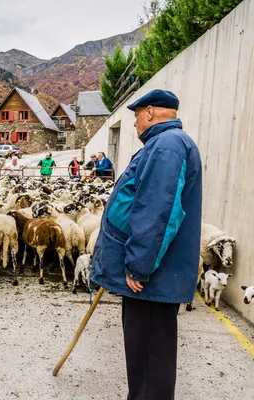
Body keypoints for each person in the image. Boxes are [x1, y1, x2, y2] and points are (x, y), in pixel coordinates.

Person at [90, 89, 202, 400]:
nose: (136, 123)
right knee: (145, 360)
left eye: (137, 116)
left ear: (149, 112)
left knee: (151, 363)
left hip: (151, 280)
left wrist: (139, 266)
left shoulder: (166, 147)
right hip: (153, 278)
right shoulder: (166, 145)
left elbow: (157, 211)